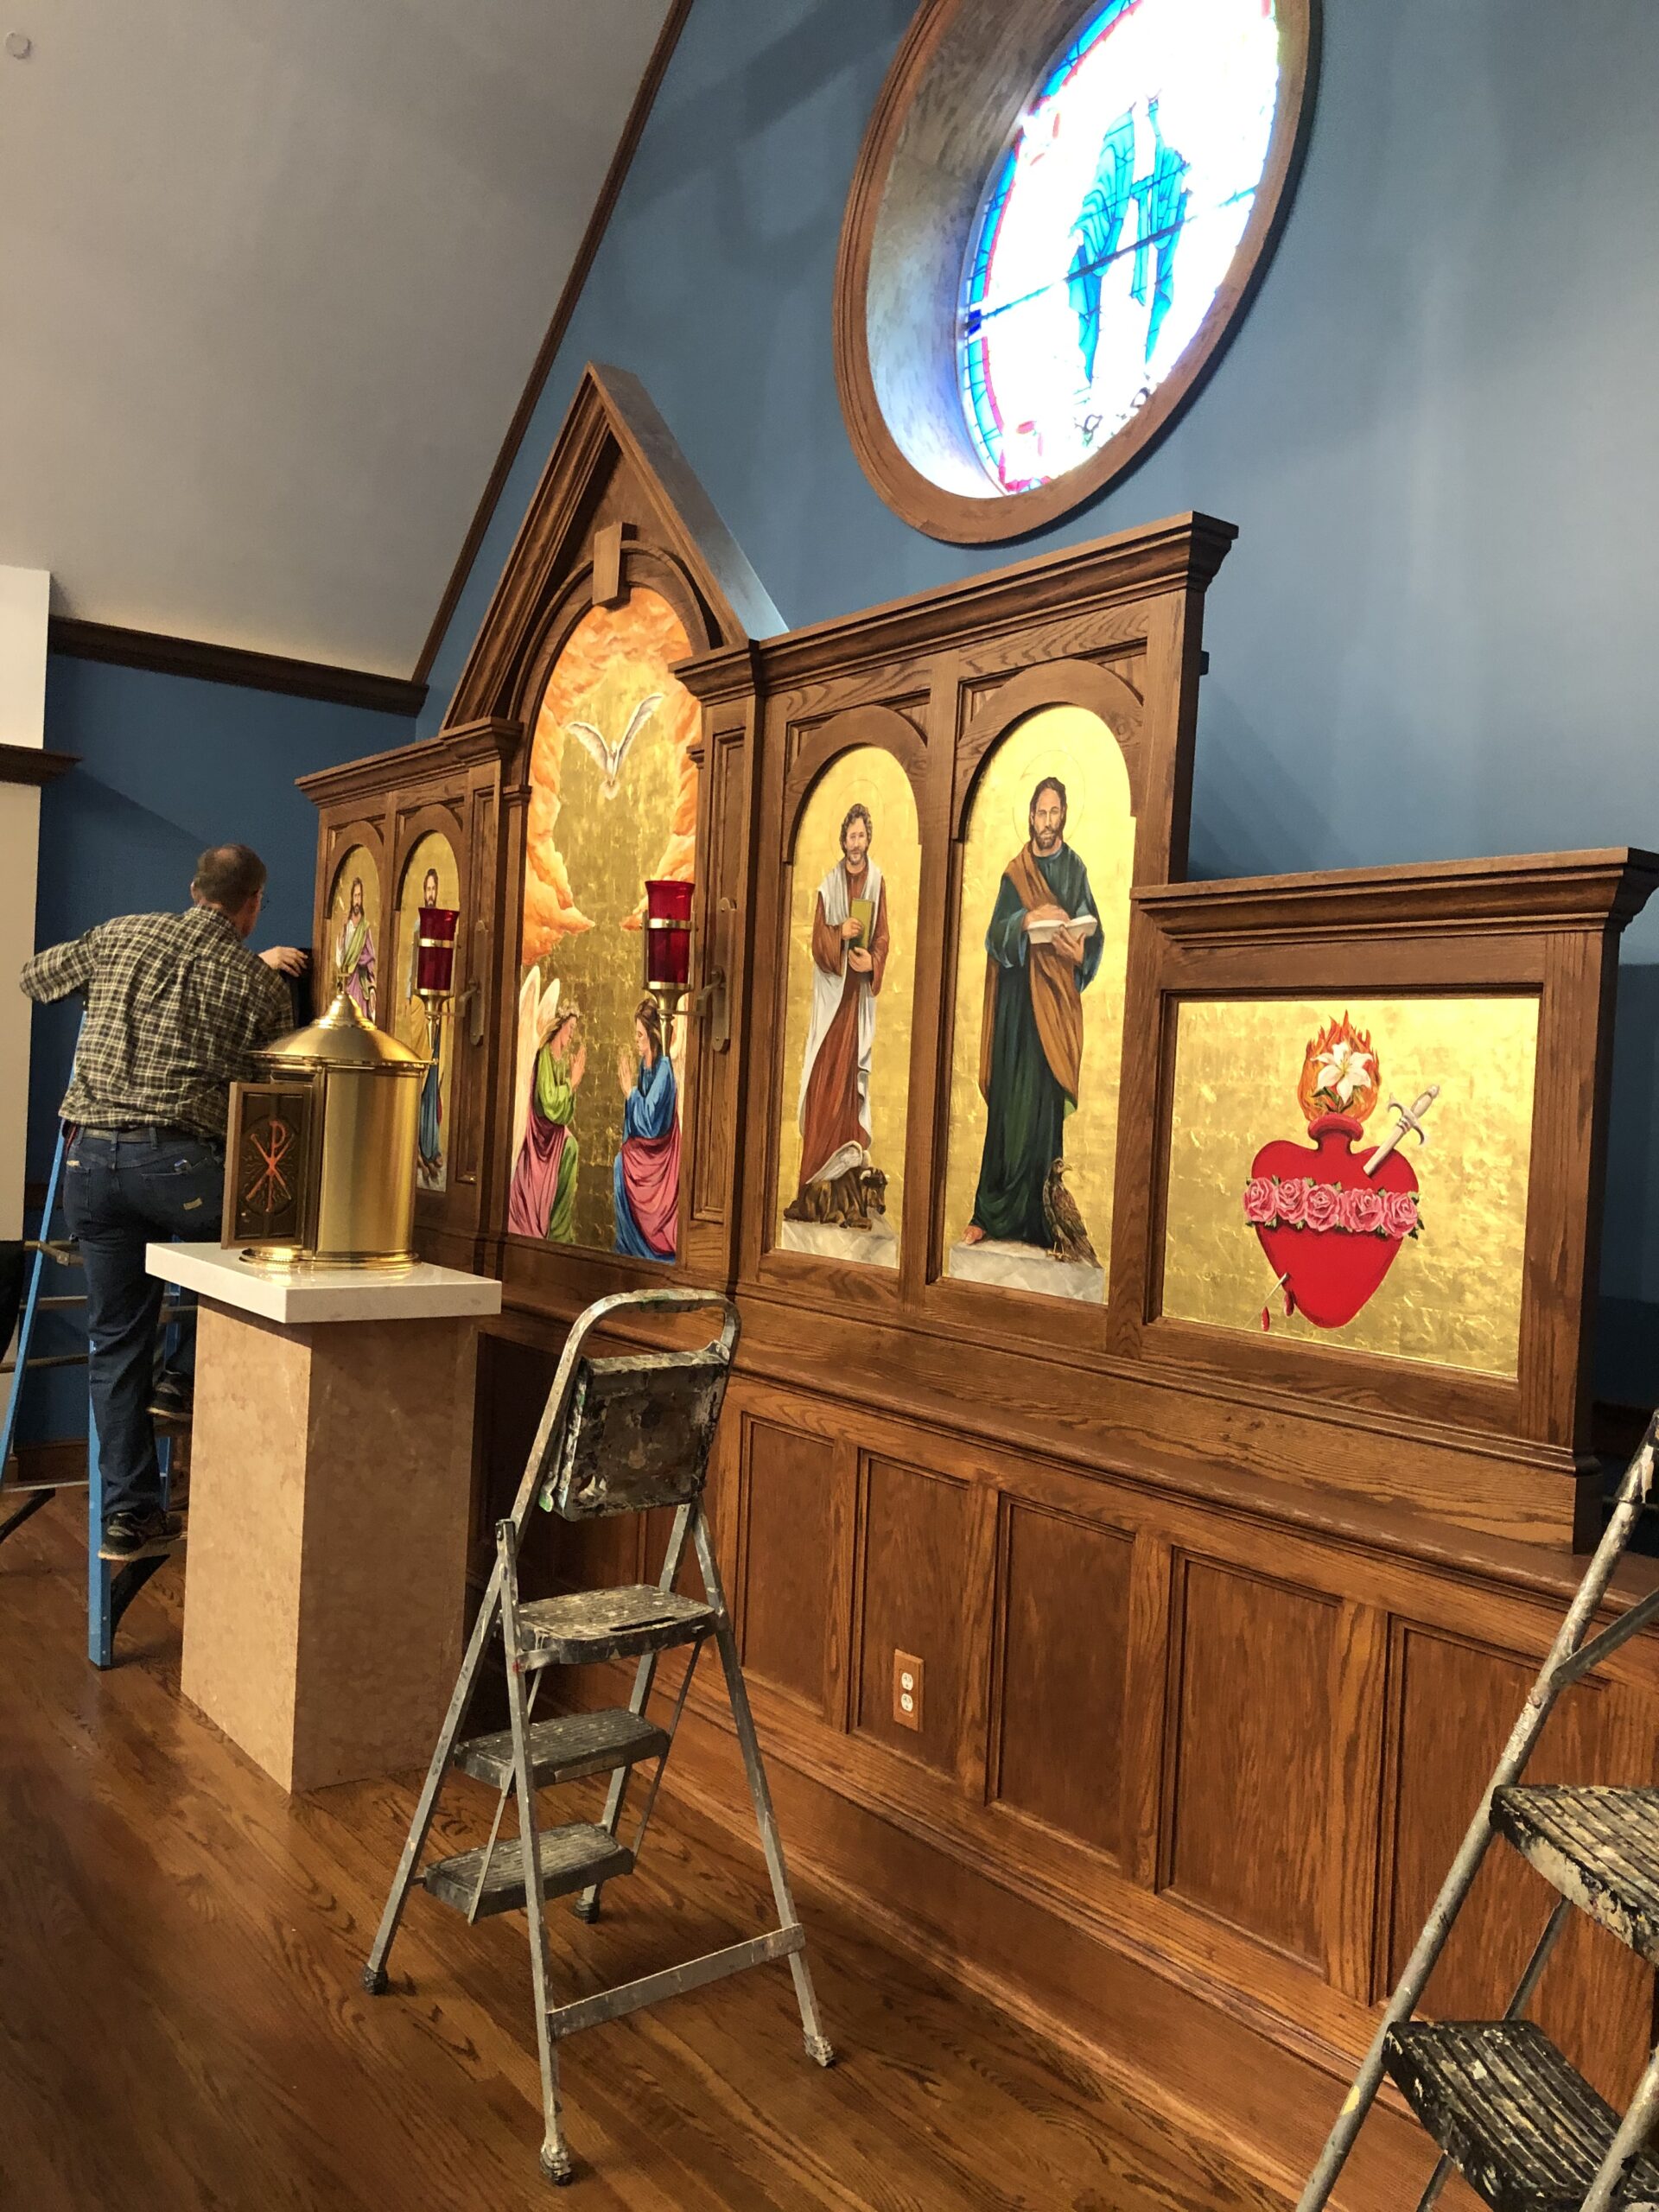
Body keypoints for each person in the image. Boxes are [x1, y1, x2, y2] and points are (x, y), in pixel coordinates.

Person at [18, 844, 308, 1558]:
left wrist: (111, 992)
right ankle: (179, 1379)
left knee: (114, 1341)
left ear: (193, 888)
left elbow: (35, 978)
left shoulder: (121, 935)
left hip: (90, 1163)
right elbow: (271, 1101)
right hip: (177, 1167)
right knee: (271, 1246)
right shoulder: (255, 984)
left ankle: (130, 1517)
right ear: (253, 906)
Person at [965, 779, 1103, 1250]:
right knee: (1007, 1109)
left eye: (1054, 812)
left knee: (1044, 1114)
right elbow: (993, 938)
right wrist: (1023, 922)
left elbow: (1093, 934)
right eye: (1040, 813)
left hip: (1055, 1007)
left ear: (1063, 815)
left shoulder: (1075, 868)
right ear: (1030, 817)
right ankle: (989, 1211)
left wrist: (1078, 950)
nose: (1047, 821)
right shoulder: (1015, 872)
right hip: (1017, 1009)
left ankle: (1045, 1221)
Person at [785, 802, 890, 1220]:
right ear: (843, 840)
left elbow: (882, 937)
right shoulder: (829, 886)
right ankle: (814, 1178)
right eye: (851, 836)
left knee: (849, 1084)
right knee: (823, 1082)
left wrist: (873, 962)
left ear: (868, 839)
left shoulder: (877, 882)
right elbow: (817, 943)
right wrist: (839, 934)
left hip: (855, 1002)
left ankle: (846, 1184)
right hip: (831, 1003)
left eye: (863, 836)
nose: (857, 843)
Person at [507, 988, 584, 1243]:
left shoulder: (560, 1060)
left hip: (552, 1133)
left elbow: (562, 1113)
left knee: (571, 1146)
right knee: (570, 1146)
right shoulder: (544, 1056)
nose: (572, 1034)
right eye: (570, 1028)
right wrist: (572, 1084)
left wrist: (572, 1081)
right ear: (559, 1026)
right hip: (540, 1137)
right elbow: (549, 1103)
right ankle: (557, 1228)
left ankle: (560, 1225)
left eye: (574, 1030)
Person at [613, 997, 678, 1262]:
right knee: (621, 1161)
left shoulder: (664, 1068)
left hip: (660, 1154)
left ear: (652, 1035)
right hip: (647, 1150)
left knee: (621, 1163)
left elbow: (651, 1123)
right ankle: (628, 1244)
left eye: (640, 1036)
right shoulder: (646, 1065)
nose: (637, 1042)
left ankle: (642, 1248)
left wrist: (629, 1092)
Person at [407, 867, 443, 1185]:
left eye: (434, 889)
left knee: (433, 1079)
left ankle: (431, 1146)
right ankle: (415, 1145)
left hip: (438, 1007)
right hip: (419, 1007)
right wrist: (409, 997)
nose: (431, 894)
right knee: (418, 1078)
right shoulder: (421, 924)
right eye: (427, 889)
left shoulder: (442, 923)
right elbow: (412, 965)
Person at [335, 875, 375, 1019]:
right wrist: (343, 929)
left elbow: (371, 955)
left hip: (359, 981)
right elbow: (340, 959)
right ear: (351, 898)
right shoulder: (347, 926)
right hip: (346, 982)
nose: (357, 900)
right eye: (355, 896)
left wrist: (360, 960)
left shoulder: (365, 927)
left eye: (360, 896)